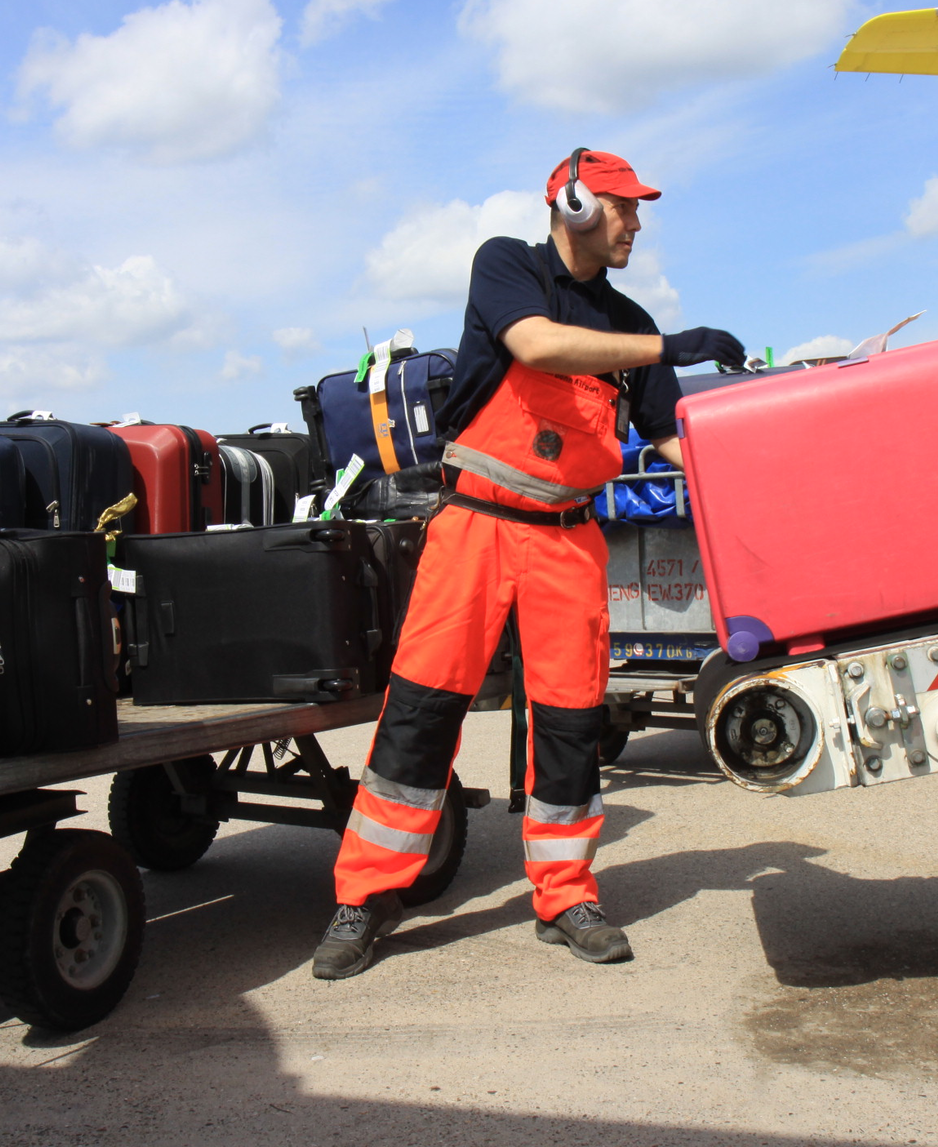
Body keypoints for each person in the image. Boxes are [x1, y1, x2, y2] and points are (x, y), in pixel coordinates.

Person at [313, 148, 746, 979]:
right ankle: (364, 899)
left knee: (572, 722)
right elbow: (536, 346)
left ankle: (566, 894)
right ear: (576, 204)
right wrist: (670, 343)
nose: (638, 224)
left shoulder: (626, 319)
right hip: (476, 527)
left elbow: (667, 438)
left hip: (569, 540)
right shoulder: (507, 266)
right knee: (421, 712)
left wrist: (753, 450)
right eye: (626, 207)